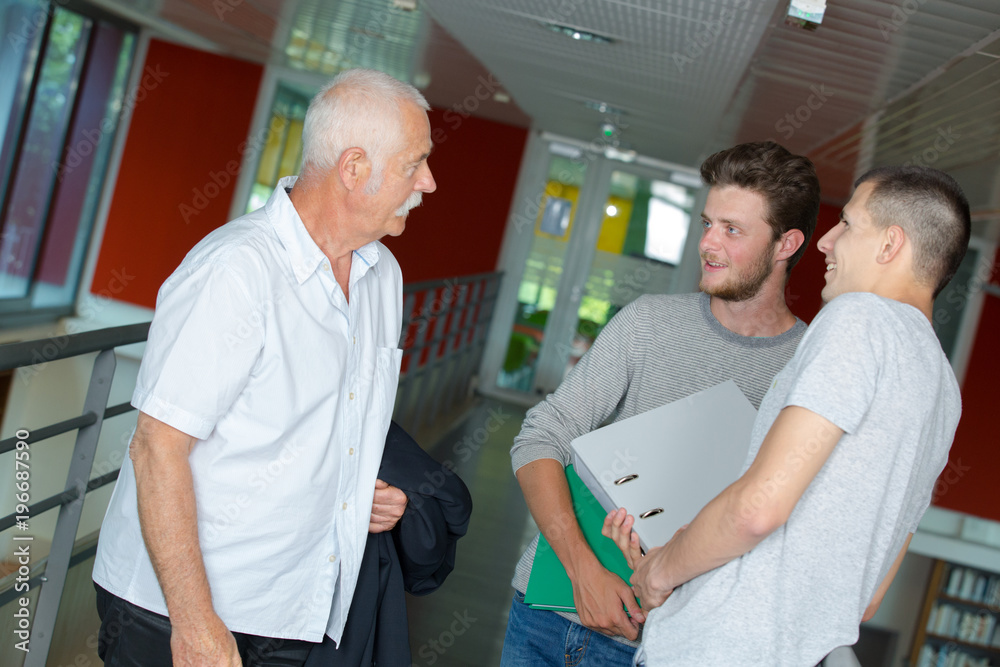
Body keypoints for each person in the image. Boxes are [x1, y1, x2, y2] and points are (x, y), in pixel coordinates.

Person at [91, 68, 436, 666]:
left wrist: (357, 494)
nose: (428, 182)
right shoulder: (236, 271)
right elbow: (156, 448)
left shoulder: (383, 276)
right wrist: (194, 622)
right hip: (176, 611)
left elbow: (325, 424)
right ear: (353, 168)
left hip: (295, 610)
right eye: (415, 163)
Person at [605, 165, 969, 666]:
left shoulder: (859, 320)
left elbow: (759, 509)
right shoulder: (942, 388)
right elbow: (871, 593)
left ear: (889, 246)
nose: (826, 243)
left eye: (847, 224)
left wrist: (661, 570)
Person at [500, 141, 821, 666]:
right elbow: (540, 434)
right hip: (551, 618)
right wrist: (585, 571)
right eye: (707, 223)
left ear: (786, 244)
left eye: (732, 230)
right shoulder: (648, 322)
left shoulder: (807, 370)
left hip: (667, 649)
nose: (709, 244)